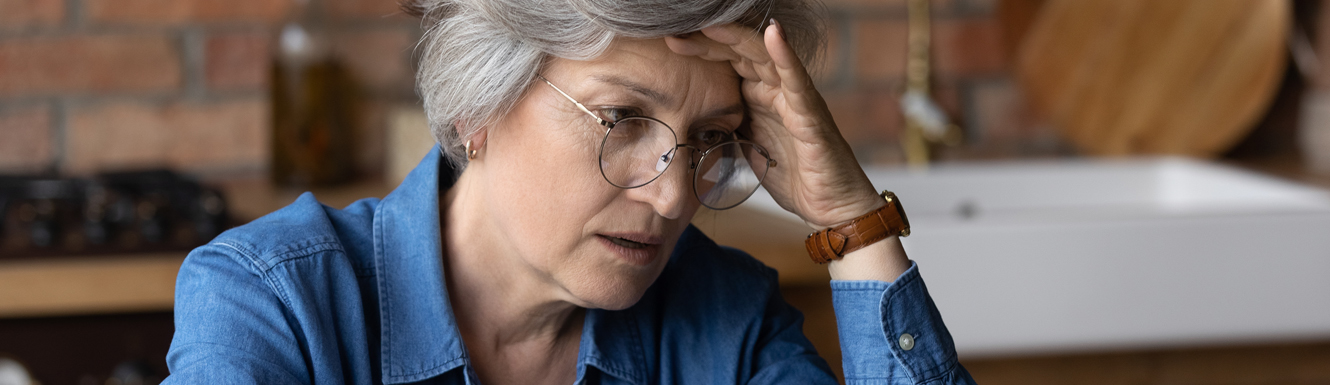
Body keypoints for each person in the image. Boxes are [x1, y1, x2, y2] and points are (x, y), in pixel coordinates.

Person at [163, 0, 976, 383]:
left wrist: (853, 221)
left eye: (708, 139)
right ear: (479, 103)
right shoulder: (275, 300)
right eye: (622, 118)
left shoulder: (723, 321)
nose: (670, 198)